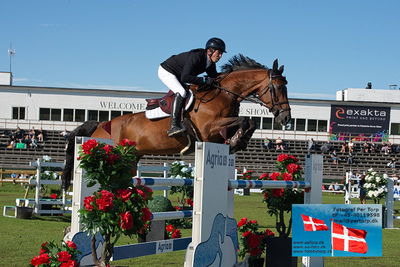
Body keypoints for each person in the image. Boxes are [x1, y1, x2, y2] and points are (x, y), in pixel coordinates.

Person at [159, 37, 226, 137]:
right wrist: (204, 80)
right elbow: (185, 77)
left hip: (179, 74)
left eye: (221, 53)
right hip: (167, 71)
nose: (220, 56)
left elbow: (214, 77)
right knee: (181, 92)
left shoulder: (210, 63)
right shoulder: (196, 57)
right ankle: (174, 126)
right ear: (210, 51)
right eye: (219, 53)